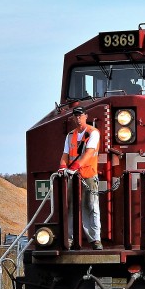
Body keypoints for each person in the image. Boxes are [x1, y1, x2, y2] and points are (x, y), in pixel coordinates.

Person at [58, 106, 102, 249]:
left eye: (80, 115)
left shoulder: (93, 133)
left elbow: (88, 153)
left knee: (91, 206)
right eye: (75, 116)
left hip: (88, 175)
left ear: (86, 116)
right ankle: (69, 239)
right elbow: (65, 155)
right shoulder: (70, 135)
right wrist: (62, 167)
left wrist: (74, 167)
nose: (78, 118)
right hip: (72, 176)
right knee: (69, 207)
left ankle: (95, 240)